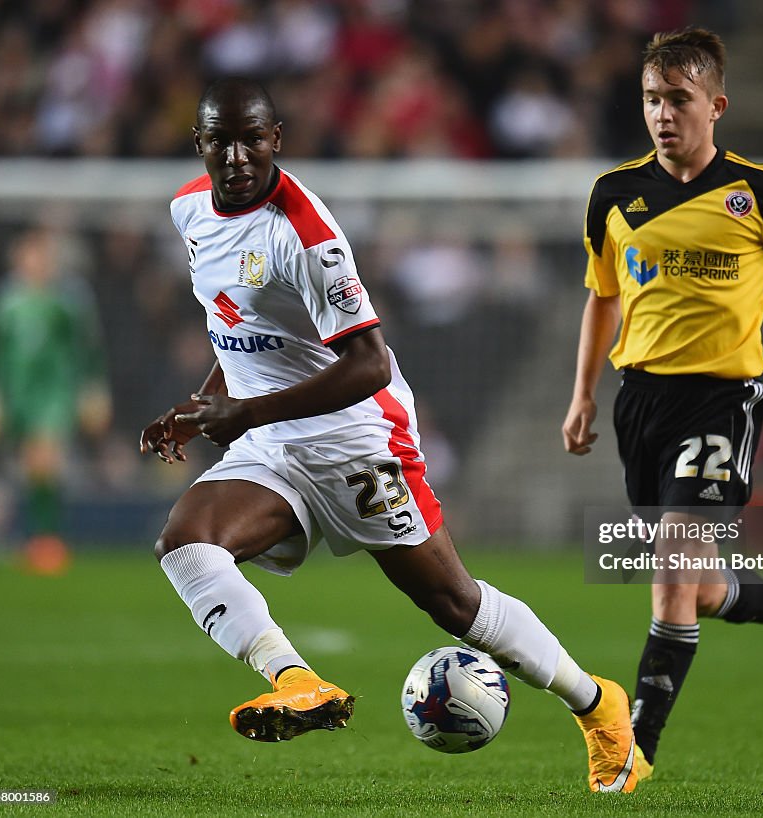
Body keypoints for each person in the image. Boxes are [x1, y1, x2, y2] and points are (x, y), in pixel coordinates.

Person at [139, 77, 641, 793]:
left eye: (254, 138)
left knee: (453, 605)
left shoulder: (305, 234)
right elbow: (238, 327)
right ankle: (296, 681)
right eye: (222, 140)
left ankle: (597, 706)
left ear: (276, 139)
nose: (239, 155)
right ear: (200, 145)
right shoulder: (189, 208)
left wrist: (242, 414)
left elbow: (368, 364)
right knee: (186, 542)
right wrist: (202, 404)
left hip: (354, 440)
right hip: (273, 443)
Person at [561, 28, 763, 776]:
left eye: (678, 100)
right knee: (700, 583)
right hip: (639, 401)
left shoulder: (762, 192)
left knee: (669, 568)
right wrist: (583, 393)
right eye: (652, 99)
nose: (662, 114)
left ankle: (634, 751)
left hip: (723, 400)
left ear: (715, 105)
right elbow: (602, 297)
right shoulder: (613, 196)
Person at [0, 227, 111, 556]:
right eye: (29, 255)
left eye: (42, 256)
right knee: (30, 466)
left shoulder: (68, 300)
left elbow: (88, 349)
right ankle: (32, 535)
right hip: (15, 393)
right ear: (17, 258)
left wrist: (94, 390)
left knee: (44, 458)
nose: (36, 262)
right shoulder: (5, 301)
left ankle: (47, 538)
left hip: (55, 391)